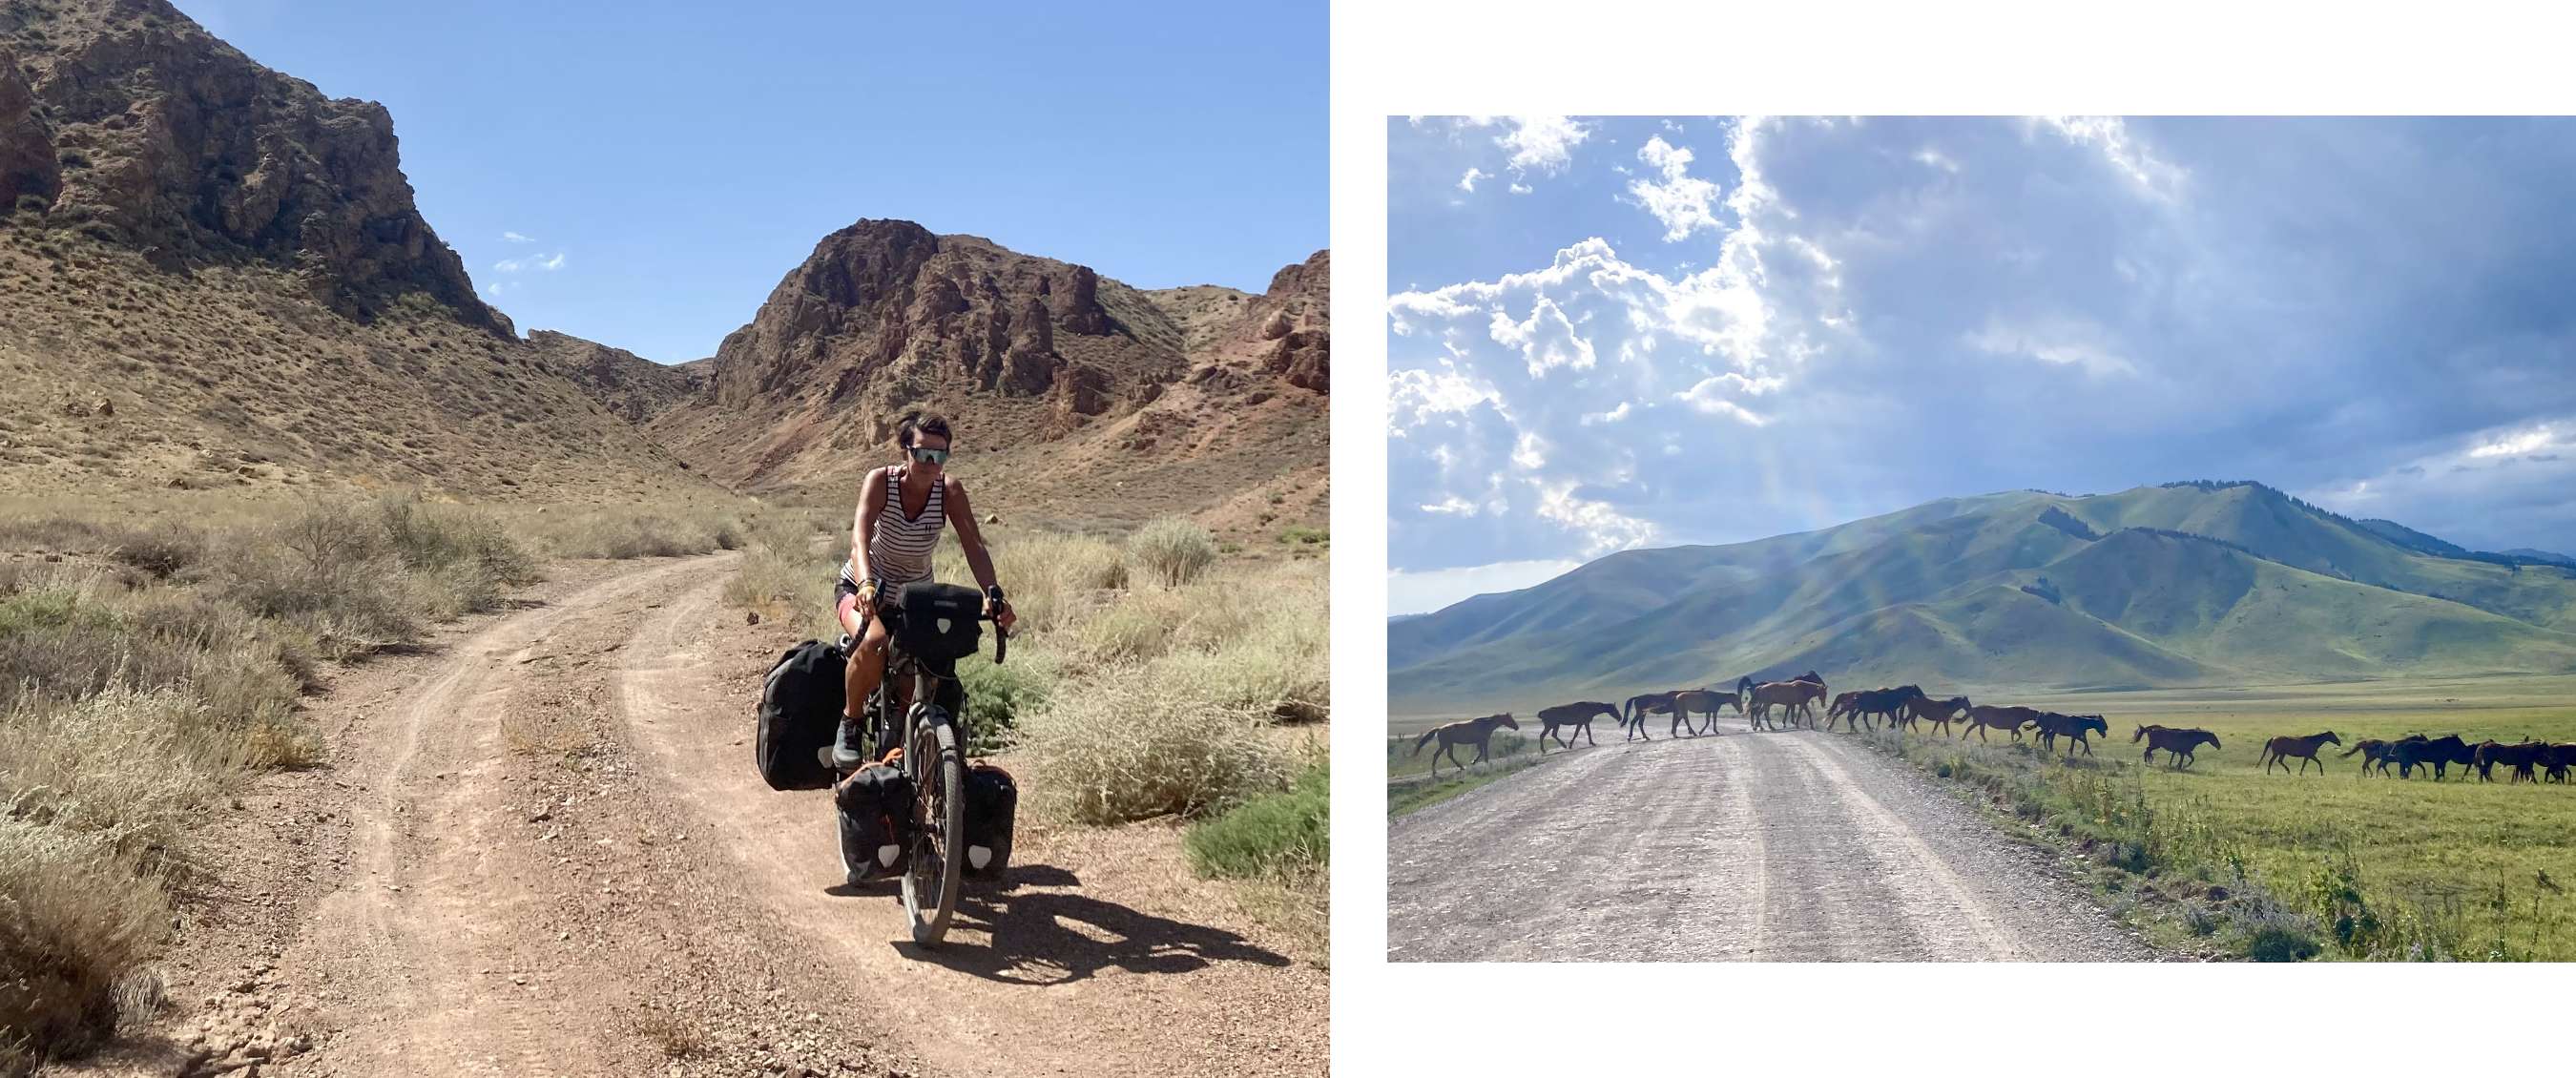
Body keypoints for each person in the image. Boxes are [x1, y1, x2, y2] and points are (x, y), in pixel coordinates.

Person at [830, 412, 1014, 770]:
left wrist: (993, 591)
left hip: (915, 598)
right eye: (923, 454)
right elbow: (860, 539)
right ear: (905, 452)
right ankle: (849, 723)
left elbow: (974, 546)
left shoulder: (949, 491)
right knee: (875, 643)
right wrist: (867, 584)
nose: (932, 463)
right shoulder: (881, 481)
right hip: (861, 586)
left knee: (922, 673)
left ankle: (903, 747)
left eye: (940, 455)